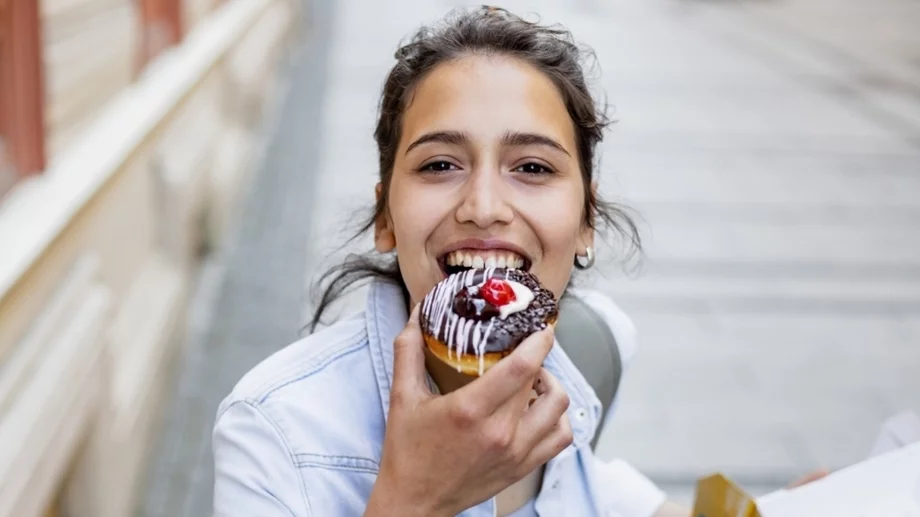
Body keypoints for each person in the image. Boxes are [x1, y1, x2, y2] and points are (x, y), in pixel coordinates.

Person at [212, 7, 816, 516]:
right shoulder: (274, 432)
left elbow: (596, 490)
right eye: (439, 165)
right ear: (385, 217)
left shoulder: (591, 349)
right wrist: (413, 498)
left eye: (532, 167)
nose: (483, 207)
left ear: (585, 222)